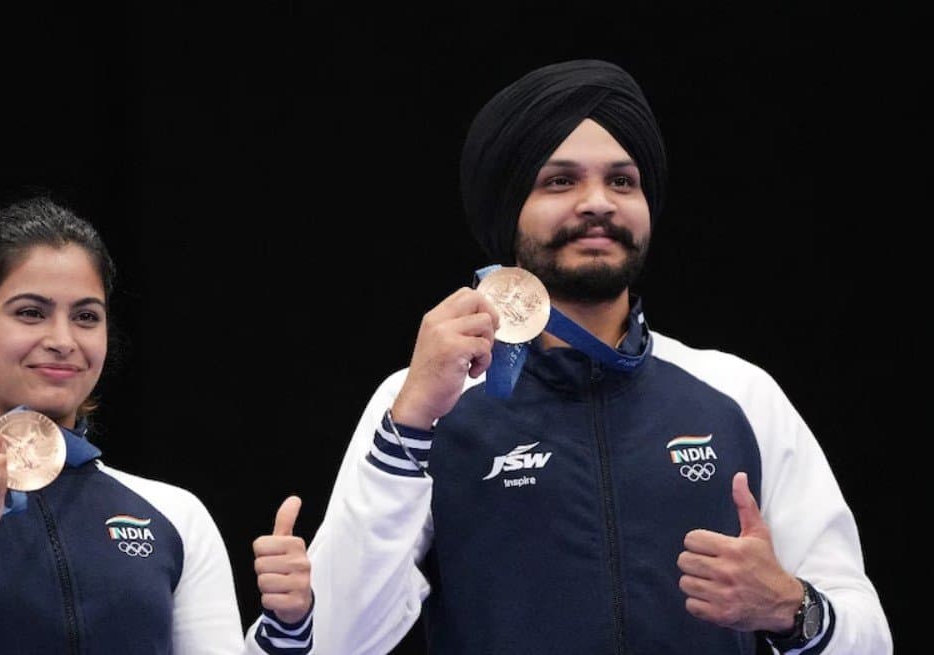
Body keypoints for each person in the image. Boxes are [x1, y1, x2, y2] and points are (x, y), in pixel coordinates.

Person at [265, 59, 893, 654]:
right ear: (509, 214)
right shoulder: (428, 401)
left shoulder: (739, 394)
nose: (598, 201)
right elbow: (340, 638)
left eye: (622, 180)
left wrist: (791, 608)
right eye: (560, 180)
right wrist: (408, 424)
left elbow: (869, 633)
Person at [0, 196, 314, 654]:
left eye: (86, 316)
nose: (62, 339)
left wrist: (287, 630)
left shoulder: (175, 515)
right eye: (31, 313)